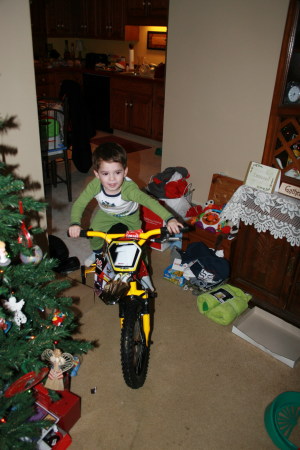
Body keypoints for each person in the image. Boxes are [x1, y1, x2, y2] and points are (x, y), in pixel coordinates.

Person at [68, 142, 184, 267]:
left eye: (117, 172)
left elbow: (150, 202)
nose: (112, 179)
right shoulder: (94, 186)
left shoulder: (129, 190)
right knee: (94, 233)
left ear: (125, 171)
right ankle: (97, 253)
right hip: (106, 214)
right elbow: (79, 204)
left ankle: (143, 266)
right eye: (105, 174)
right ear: (97, 174)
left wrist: (169, 218)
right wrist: (75, 223)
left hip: (130, 216)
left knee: (140, 242)